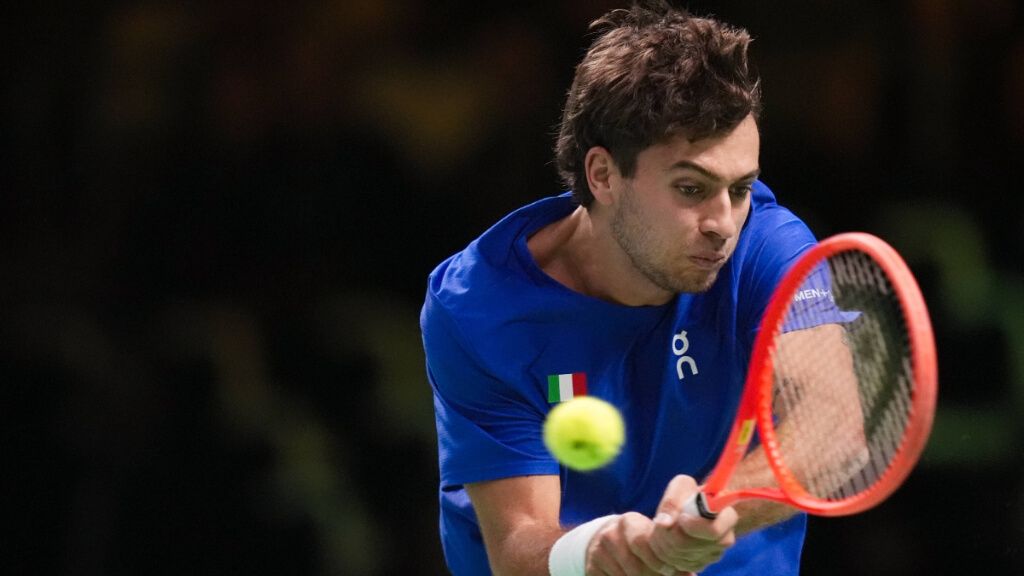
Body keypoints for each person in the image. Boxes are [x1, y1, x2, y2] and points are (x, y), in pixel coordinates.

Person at [421, 2, 820, 574]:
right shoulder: (480, 309)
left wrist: (711, 510)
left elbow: (833, 425)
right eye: (690, 188)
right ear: (603, 175)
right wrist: (597, 553)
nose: (723, 222)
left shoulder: (767, 245)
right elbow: (518, 544)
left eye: (739, 189)